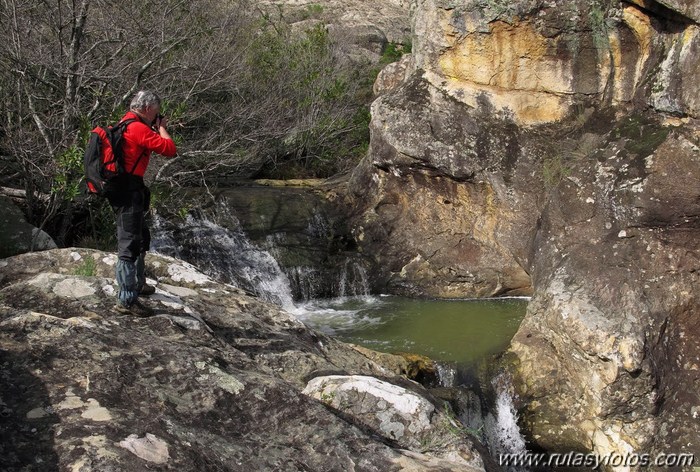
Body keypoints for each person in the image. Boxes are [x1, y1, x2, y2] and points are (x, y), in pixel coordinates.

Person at [106, 90, 177, 316]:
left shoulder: (126, 123)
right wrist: (162, 128)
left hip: (129, 189)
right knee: (129, 244)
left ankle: (138, 284)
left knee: (140, 237)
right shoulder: (136, 128)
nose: (157, 115)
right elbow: (169, 149)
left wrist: (154, 126)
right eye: (156, 111)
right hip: (127, 192)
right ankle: (126, 301)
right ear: (147, 108)